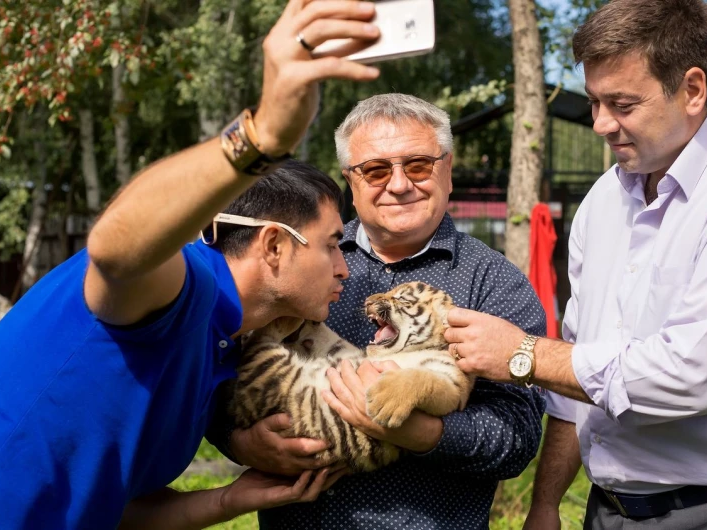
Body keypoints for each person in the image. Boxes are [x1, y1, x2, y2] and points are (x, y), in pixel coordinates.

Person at [0, 1, 385, 527]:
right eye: (333, 243)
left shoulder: (224, 349)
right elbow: (113, 247)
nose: (345, 267)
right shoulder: (187, 286)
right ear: (273, 245)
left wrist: (232, 500)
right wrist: (261, 135)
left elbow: (115, 508)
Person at [444, 1, 707, 529]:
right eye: (595, 102)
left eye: (622, 103)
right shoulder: (604, 202)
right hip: (609, 511)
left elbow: (692, 376)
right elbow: (580, 364)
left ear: (692, 90)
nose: (601, 123)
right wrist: (546, 502)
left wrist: (524, 354)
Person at [208, 93, 548, 529]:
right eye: (375, 169)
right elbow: (213, 375)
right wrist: (239, 442)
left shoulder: (494, 281)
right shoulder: (296, 260)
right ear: (350, 180)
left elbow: (517, 437)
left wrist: (421, 434)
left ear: (447, 168)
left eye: (419, 165)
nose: (400, 184)